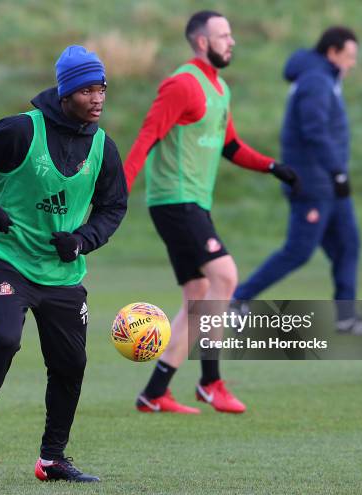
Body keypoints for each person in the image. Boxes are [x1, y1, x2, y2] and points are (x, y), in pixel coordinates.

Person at [0, 45, 127, 484]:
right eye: (87, 90)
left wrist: (83, 240)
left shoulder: (104, 147)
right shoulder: (21, 131)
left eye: (102, 88)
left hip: (61, 271)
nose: (98, 98)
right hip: (8, 257)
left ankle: (52, 459)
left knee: (71, 364)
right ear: (66, 93)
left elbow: (113, 207)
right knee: (6, 339)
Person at [124, 11, 299, 414]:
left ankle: (154, 392)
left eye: (231, 34)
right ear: (202, 42)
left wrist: (273, 167)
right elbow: (147, 137)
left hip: (192, 204)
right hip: (175, 201)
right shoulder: (182, 84)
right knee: (226, 277)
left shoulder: (219, 89)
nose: (232, 41)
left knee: (199, 296)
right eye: (224, 35)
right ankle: (210, 382)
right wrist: (120, 192)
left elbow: (231, 146)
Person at [232, 27, 362, 335]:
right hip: (313, 184)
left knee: (349, 245)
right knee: (298, 250)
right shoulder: (316, 81)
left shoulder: (324, 78)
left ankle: (346, 317)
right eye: (349, 57)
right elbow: (314, 131)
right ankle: (238, 299)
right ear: (332, 53)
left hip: (330, 185)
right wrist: (337, 171)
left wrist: (336, 175)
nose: (351, 64)